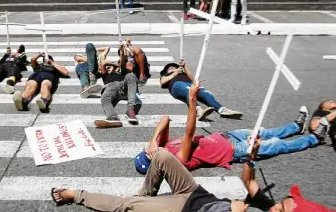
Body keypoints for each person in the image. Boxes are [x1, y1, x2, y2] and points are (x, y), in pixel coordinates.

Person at [51, 134, 336, 212]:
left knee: (128, 205)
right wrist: (251, 156)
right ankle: (147, 196)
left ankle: (77, 194)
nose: (278, 202)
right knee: (161, 155)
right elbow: (247, 181)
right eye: (284, 199)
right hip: (199, 195)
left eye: (283, 206)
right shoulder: (269, 208)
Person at [135, 83, 326, 175]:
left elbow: (165, 119)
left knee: (265, 131)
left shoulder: (163, 146)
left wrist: (153, 140)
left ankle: (297, 126)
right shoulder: (177, 161)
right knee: (277, 145)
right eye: (150, 156)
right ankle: (314, 139)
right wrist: (192, 100)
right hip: (235, 151)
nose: (152, 152)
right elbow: (189, 133)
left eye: (148, 152)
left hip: (227, 136)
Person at [159, 61, 242, 120]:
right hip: (176, 85)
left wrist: (184, 67)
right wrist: (175, 73)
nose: (173, 68)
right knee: (188, 90)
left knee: (206, 94)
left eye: (175, 67)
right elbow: (162, 82)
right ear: (166, 71)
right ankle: (198, 110)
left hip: (189, 84)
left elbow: (192, 79)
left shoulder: (183, 73)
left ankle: (222, 110)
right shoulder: (166, 75)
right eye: (170, 68)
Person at [94, 44, 142, 128]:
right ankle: (113, 117)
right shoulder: (106, 73)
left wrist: (121, 54)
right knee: (105, 98)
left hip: (123, 86)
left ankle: (130, 110)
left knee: (131, 76)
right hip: (110, 87)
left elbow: (123, 63)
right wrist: (113, 65)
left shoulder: (124, 70)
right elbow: (103, 64)